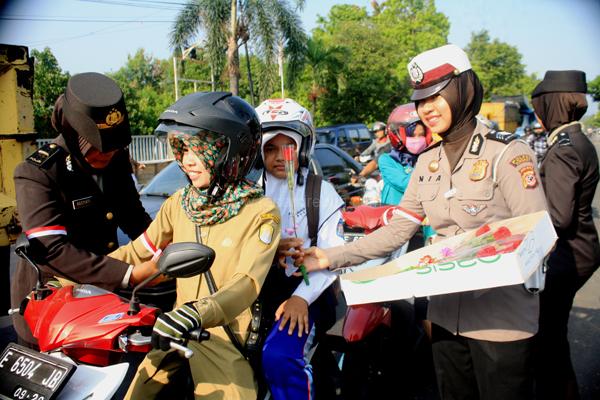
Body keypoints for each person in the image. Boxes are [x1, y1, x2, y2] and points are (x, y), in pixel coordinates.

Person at [298, 44, 547, 399]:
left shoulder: (506, 153)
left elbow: (536, 232)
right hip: (446, 317)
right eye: (420, 99)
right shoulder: (427, 162)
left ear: (463, 89)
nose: (427, 108)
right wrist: (328, 258)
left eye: (436, 95)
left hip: (500, 322)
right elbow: (400, 228)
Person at [109, 91, 281, 400]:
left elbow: (246, 283)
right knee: (135, 392)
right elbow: (136, 251)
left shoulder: (261, 211)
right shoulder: (180, 203)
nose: (186, 161)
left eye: (197, 150)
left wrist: (196, 314)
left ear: (229, 151)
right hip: (174, 330)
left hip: (221, 337)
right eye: (181, 149)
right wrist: (72, 277)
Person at [12, 72, 156, 347]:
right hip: (51, 309)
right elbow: (52, 248)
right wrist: (129, 274)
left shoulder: (115, 161)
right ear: (71, 131)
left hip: (100, 301)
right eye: (95, 148)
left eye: (112, 148)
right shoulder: (38, 172)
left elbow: (135, 220)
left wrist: (166, 252)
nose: (106, 155)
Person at [254, 98, 345, 400]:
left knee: (279, 357)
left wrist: (300, 299)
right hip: (256, 295)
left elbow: (333, 257)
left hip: (309, 292)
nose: (280, 157)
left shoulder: (321, 192)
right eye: (270, 148)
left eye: (288, 147)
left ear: (303, 148)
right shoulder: (248, 194)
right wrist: (270, 252)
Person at [531, 70, 600, 400]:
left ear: (552, 104)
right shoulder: (577, 140)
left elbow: (558, 217)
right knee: (552, 337)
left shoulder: (563, 149)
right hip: (583, 250)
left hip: (567, 255)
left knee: (549, 340)